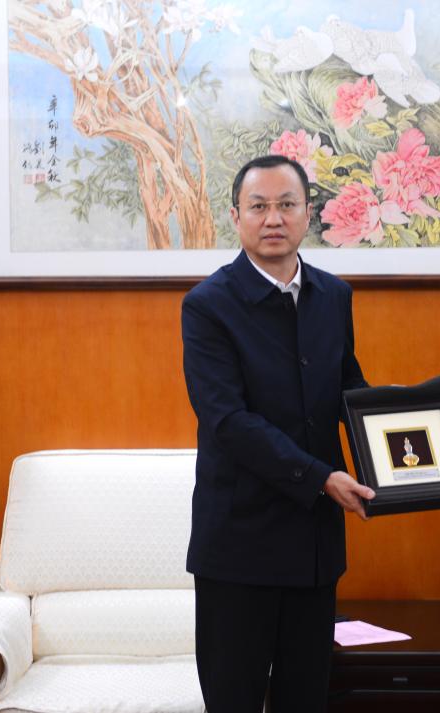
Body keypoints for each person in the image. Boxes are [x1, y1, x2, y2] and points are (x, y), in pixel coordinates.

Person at [181, 155, 375, 713]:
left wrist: (406, 447)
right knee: (234, 700)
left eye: (287, 205)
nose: (273, 218)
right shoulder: (208, 306)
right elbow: (228, 421)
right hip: (238, 544)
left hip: (314, 545)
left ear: (308, 213)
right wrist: (321, 478)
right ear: (235, 216)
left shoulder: (333, 295)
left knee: (305, 698)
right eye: (259, 206)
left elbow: (348, 389)